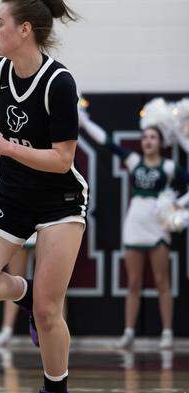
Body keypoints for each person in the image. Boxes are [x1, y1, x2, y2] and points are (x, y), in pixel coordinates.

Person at [0, 0, 83, 393]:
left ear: (24, 29)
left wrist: (5, 148)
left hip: (59, 201)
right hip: (13, 194)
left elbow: (63, 159)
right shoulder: (0, 71)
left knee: (50, 310)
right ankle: (22, 292)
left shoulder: (59, 84)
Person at [79, 112, 185, 350]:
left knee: (161, 281)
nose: (148, 141)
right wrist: (84, 122)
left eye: (153, 138)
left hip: (158, 228)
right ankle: (128, 332)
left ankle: (167, 333)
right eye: (145, 137)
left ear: (161, 143)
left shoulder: (169, 167)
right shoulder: (134, 161)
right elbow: (107, 142)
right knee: (134, 282)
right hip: (134, 226)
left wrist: (179, 205)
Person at [0, 233, 34, 346]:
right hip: (22, 225)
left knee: (52, 281)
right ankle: (7, 329)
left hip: (48, 223)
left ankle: (58, 327)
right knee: (14, 277)